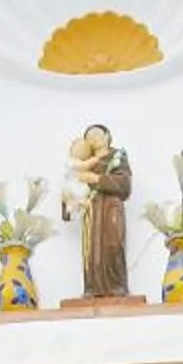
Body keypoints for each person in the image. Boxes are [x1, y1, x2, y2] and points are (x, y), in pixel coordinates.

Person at [63, 122, 131, 298]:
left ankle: (117, 287)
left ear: (107, 136)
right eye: (90, 136)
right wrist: (68, 200)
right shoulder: (83, 163)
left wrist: (95, 178)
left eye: (98, 134)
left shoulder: (117, 156)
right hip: (92, 210)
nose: (94, 138)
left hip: (111, 207)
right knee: (93, 250)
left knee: (113, 245)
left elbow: (124, 185)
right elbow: (72, 186)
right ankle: (93, 289)